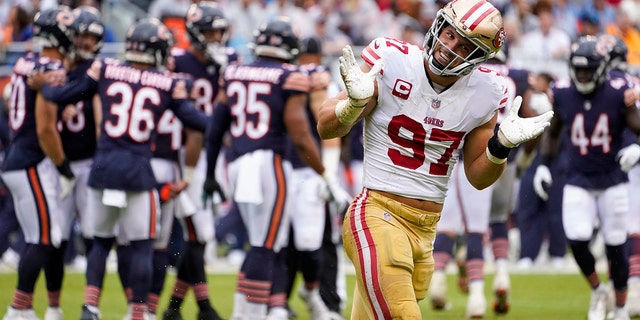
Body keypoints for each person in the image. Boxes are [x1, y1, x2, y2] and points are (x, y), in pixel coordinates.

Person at [315, 0, 554, 318]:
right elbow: (325, 126)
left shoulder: (485, 90)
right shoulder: (391, 59)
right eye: (450, 33)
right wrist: (352, 106)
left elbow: (478, 177)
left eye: (465, 44)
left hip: (427, 228)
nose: (449, 45)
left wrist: (501, 145)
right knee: (403, 312)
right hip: (376, 213)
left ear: (479, 57)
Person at [35, 17, 209, 320]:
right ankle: (138, 312)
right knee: (142, 246)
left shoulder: (105, 69)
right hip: (138, 171)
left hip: (103, 168)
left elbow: (66, 95)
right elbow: (195, 120)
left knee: (100, 243)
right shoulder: (168, 82)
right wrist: (228, 123)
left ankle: (90, 308)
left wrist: (45, 90)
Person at [203, 16, 346, 320]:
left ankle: (244, 312)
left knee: (259, 242)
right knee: (265, 246)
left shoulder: (234, 71)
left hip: (239, 164)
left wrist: (209, 174)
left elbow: (216, 128)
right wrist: (325, 174)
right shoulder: (289, 76)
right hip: (270, 165)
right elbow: (301, 134)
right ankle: (253, 313)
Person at [532, 35, 640, 320]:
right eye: (578, 69)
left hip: (612, 178)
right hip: (578, 177)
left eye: (588, 70)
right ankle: (597, 290)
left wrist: (637, 150)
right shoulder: (563, 92)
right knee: (577, 239)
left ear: (602, 69)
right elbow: (553, 132)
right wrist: (544, 164)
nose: (582, 75)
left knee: (616, 245)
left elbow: (637, 126)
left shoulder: (619, 91)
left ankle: (619, 308)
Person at [428, 49, 532, 318]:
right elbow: (531, 112)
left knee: (450, 224)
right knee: (494, 221)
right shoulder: (517, 77)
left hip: (465, 158)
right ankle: (498, 276)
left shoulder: (475, 75)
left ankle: (441, 281)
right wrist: (525, 156)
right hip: (502, 157)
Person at [1, 7, 77, 320]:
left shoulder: (26, 62)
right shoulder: (51, 67)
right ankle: (19, 309)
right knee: (44, 238)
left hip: (19, 157)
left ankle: (38, 308)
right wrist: (63, 166)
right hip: (33, 160)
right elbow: (45, 129)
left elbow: (11, 98)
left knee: (45, 236)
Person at [161, 2, 235, 319]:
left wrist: (224, 71)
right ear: (194, 33)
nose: (216, 37)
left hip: (212, 154)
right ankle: (202, 307)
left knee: (199, 234)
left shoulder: (229, 62)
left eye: (220, 31)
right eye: (210, 31)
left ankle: (174, 309)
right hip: (180, 152)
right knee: (197, 233)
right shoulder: (175, 60)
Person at [280, 35, 350, 320]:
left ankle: (282, 301)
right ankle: (325, 301)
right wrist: (330, 175)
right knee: (319, 241)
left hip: (293, 168)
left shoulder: (291, 77)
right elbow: (334, 132)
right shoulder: (319, 78)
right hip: (314, 169)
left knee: (291, 241)